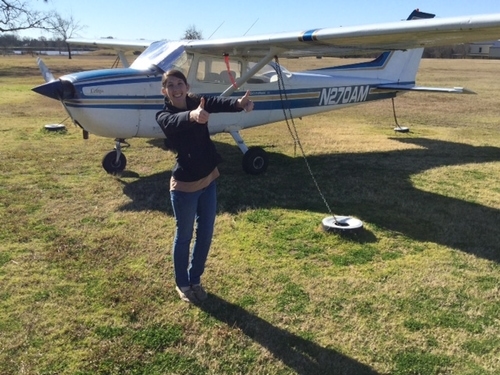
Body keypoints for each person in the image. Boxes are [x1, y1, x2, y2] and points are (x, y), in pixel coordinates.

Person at [156, 69, 254, 303]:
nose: (176, 88)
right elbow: (175, 121)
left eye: (180, 83)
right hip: (185, 187)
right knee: (184, 235)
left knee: (206, 233)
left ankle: (195, 279)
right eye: (171, 85)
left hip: (209, 178)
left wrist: (238, 104)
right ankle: (182, 283)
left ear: (187, 86)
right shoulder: (163, 115)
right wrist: (193, 115)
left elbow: (216, 102)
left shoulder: (197, 101)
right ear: (164, 91)